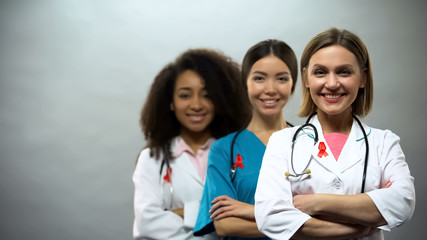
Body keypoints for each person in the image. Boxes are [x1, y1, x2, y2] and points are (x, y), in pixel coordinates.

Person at [254, 28, 415, 240]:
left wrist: (317, 203)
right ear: (306, 78)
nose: (331, 83)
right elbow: (270, 217)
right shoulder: (283, 142)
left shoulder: (383, 142)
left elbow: (403, 202)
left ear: (363, 78)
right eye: (320, 72)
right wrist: (358, 225)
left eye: (344, 72)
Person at [133, 48, 251, 240]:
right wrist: (214, 219)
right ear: (170, 102)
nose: (196, 105)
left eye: (206, 95)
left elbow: (249, 216)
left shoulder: (236, 153)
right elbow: (147, 224)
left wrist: (186, 212)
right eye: (185, 95)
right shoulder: (152, 159)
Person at [194, 39, 298, 239]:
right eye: (259, 78)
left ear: (293, 84)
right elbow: (225, 224)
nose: (270, 89)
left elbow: (322, 211)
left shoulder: (309, 143)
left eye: (282, 79)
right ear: (245, 83)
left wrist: (248, 211)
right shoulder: (223, 150)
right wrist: (299, 223)